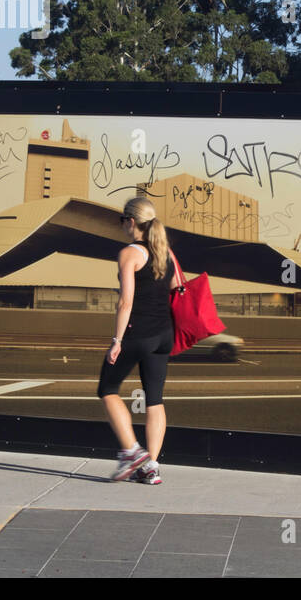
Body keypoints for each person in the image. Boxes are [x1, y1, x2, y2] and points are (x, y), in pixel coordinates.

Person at [97, 196, 177, 484]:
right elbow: (177, 288)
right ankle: (152, 466)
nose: (121, 226)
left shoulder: (129, 253)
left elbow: (125, 303)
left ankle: (132, 451)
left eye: (122, 221)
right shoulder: (166, 252)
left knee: (107, 388)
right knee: (154, 399)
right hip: (163, 335)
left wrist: (117, 340)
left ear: (131, 222)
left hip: (138, 333)